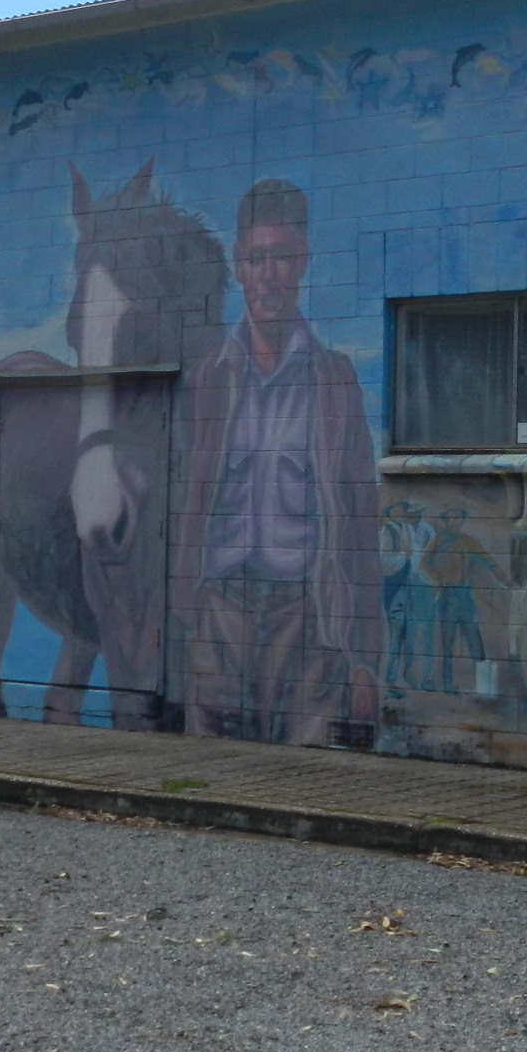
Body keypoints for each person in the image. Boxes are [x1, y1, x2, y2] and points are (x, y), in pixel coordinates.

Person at [173, 179, 382, 744]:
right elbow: (182, 503)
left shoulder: (334, 381)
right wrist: (181, 615)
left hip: (308, 618)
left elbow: (361, 525)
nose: (269, 274)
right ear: (238, 266)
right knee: (208, 772)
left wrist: (365, 660)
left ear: (304, 261)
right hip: (220, 614)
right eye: (256, 258)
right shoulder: (209, 379)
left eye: (282, 256)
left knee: (310, 771)